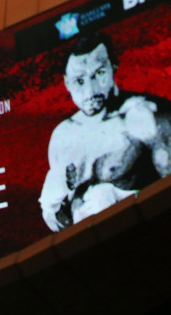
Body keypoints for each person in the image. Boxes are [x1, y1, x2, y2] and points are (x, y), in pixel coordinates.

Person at [40, 32, 171, 231]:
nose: (90, 91)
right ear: (66, 83)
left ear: (113, 67)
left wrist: (118, 200)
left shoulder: (147, 115)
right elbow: (53, 213)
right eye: (79, 81)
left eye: (98, 74)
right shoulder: (62, 136)